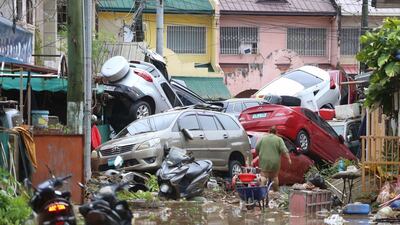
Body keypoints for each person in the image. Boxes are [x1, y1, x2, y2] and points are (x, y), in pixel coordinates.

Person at [256, 126, 291, 192]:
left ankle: (262, 192)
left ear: (269, 131)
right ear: (276, 132)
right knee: (274, 177)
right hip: (275, 161)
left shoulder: (263, 138)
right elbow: (284, 150)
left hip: (264, 160)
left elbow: (257, 148)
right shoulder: (279, 139)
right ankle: (276, 192)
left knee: (263, 176)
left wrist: (259, 155)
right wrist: (289, 159)